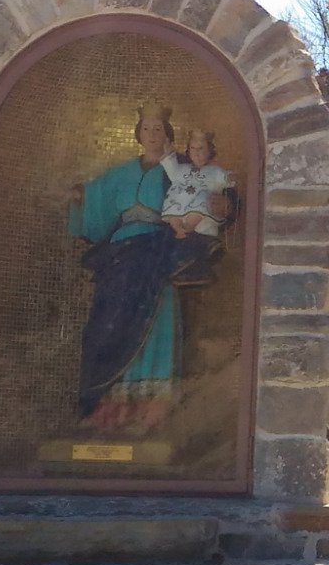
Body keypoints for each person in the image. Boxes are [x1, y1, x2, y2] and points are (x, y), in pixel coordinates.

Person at [66, 103, 186, 433]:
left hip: (156, 257)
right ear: (138, 134)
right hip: (118, 260)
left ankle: (148, 414)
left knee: (151, 324)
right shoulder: (121, 173)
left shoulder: (175, 169)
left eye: (158, 129)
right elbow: (96, 196)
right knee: (105, 328)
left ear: (167, 134)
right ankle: (108, 412)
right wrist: (80, 197)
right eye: (146, 129)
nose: (152, 135)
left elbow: (197, 196)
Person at [159, 127, 232, 286]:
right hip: (180, 210)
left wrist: (227, 193)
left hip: (202, 219)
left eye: (201, 149)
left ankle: (188, 228)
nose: (197, 153)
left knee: (203, 197)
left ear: (210, 151)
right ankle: (179, 229)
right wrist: (168, 153)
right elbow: (171, 169)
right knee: (171, 199)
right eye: (193, 149)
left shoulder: (215, 171)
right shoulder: (184, 169)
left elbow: (229, 184)